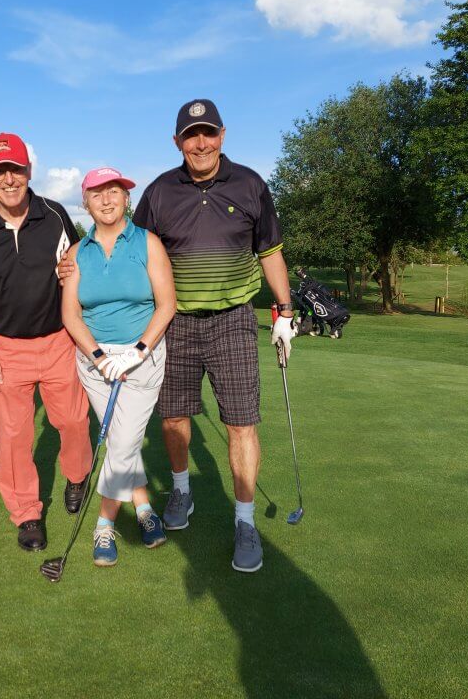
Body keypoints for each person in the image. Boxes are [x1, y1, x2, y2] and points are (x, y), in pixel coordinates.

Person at [58, 99, 296, 573]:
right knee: (173, 418)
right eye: (191, 135)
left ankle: (245, 521)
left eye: (208, 133)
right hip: (177, 323)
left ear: (222, 135)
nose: (200, 143)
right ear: (177, 142)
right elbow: (129, 245)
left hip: (232, 318)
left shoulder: (250, 184)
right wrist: (73, 264)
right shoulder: (161, 191)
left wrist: (285, 311)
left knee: (242, 423)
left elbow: (269, 251)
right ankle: (181, 492)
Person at [0, 132, 92, 552]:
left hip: (57, 340)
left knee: (73, 421)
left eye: (15, 169)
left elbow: (74, 265)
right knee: (13, 435)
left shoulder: (54, 214)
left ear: (29, 170)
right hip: (5, 346)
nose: (9, 179)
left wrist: (71, 277)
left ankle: (77, 476)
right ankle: (27, 513)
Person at [61, 167, 177, 567]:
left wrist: (138, 351)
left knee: (123, 442)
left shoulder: (148, 243)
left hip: (142, 360)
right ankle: (144, 508)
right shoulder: (77, 253)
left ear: (127, 198)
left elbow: (167, 304)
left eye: (114, 191)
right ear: (85, 203)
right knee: (120, 441)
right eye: (96, 194)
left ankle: (104, 524)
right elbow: (71, 315)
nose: (106, 200)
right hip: (95, 364)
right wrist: (98, 357)